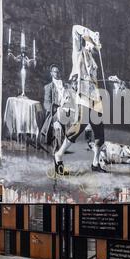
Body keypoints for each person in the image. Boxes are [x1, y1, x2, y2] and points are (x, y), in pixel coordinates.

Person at [54, 25, 106, 175]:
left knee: (100, 130)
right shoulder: (78, 52)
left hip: (95, 96)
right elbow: (75, 28)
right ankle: (59, 155)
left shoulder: (94, 60)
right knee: (80, 125)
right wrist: (90, 32)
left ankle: (96, 163)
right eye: (91, 42)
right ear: (85, 41)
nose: (93, 45)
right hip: (83, 94)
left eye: (94, 44)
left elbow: (95, 79)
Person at [40, 64, 65, 149]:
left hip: (65, 110)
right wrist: (54, 110)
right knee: (57, 123)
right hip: (54, 112)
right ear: (51, 73)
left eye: (58, 72)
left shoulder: (64, 85)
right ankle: (58, 146)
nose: (57, 73)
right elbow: (46, 103)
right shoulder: (48, 87)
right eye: (55, 72)